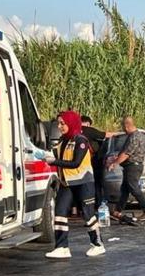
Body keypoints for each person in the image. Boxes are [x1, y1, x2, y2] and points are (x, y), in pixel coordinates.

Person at [40, 111, 105, 259]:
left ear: (71, 123)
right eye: (59, 123)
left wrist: (53, 162)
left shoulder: (81, 140)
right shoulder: (63, 141)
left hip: (83, 182)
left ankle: (98, 244)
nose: (60, 126)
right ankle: (62, 247)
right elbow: (54, 154)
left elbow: (75, 163)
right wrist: (43, 155)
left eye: (63, 123)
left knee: (87, 214)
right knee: (60, 212)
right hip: (67, 183)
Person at [109, 116, 145, 222]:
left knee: (134, 188)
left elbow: (127, 153)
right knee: (124, 190)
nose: (123, 129)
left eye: (123, 127)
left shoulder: (135, 136)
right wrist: (116, 158)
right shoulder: (137, 135)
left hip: (133, 166)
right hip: (131, 165)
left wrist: (115, 163)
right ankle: (117, 211)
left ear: (127, 125)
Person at [80, 115, 111, 208]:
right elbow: (105, 135)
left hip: (77, 163)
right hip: (93, 162)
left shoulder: (74, 131)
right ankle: (98, 204)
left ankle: (77, 208)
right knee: (97, 184)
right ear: (88, 123)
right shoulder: (88, 130)